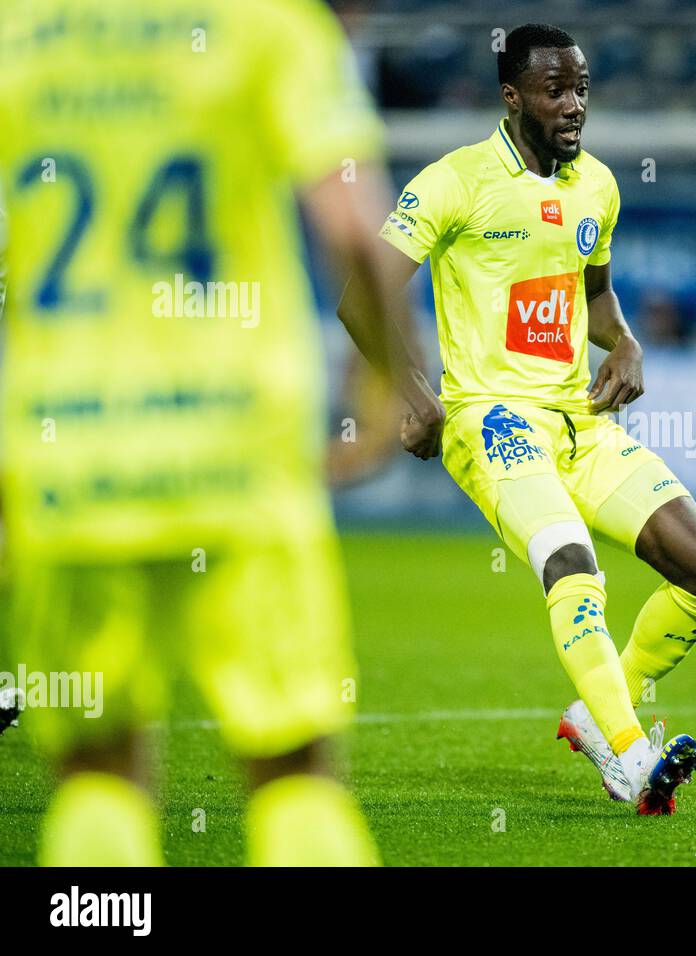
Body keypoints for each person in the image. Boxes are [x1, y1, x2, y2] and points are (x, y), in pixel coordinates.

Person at [0, 0, 441, 865]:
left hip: (67, 451)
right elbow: (355, 229)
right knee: (295, 773)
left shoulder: (20, 31)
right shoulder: (270, 27)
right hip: (240, 450)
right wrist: (390, 382)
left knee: (96, 774)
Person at [339, 23, 696, 815]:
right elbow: (361, 296)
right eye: (555, 90)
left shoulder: (598, 187)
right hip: (492, 421)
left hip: (579, 421)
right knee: (571, 562)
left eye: (581, 88)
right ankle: (631, 755)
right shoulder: (456, 181)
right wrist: (416, 396)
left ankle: (599, 711)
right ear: (512, 97)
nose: (574, 105)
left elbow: (595, 296)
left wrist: (626, 344)